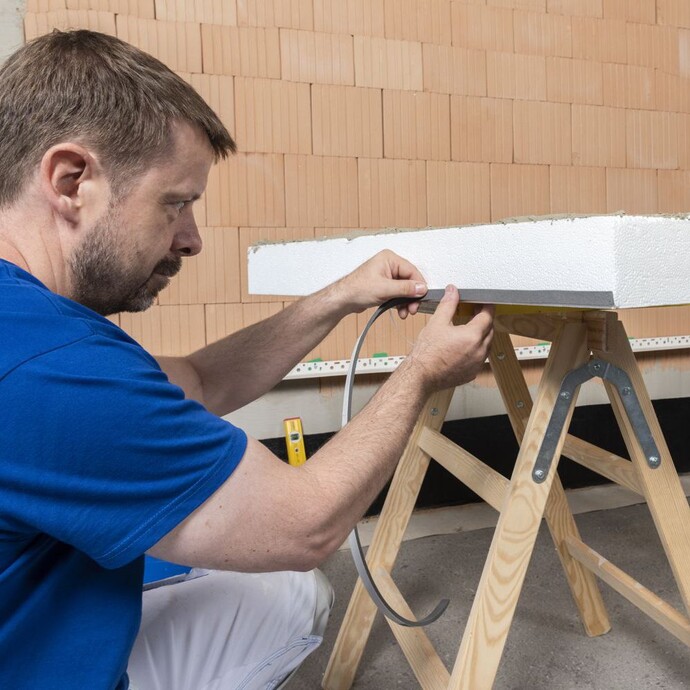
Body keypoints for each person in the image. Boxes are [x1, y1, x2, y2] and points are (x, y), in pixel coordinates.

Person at [0, 29, 494, 690]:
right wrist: (421, 374)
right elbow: (306, 525)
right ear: (70, 181)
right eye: (174, 203)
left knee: (279, 592)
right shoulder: (56, 369)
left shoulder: (27, 325)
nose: (192, 238)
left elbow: (201, 380)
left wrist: (340, 297)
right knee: (293, 578)